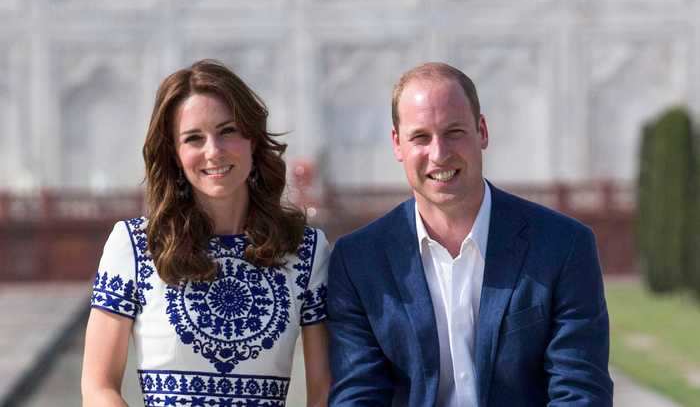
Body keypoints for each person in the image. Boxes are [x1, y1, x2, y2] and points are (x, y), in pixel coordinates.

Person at [326, 62, 613, 406]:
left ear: (482, 131)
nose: (439, 153)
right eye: (420, 137)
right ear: (397, 144)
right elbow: (358, 395)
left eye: (454, 132)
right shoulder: (358, 261)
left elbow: (581, 392)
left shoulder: (563, 246)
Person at [82, 60, 331, 406]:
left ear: (252, 139)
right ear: (175, 154)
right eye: (194, 138)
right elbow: (98, 386)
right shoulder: (135, 246)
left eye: (227, 130)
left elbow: (325, 389)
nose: (213, 151)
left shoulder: (305, 250)